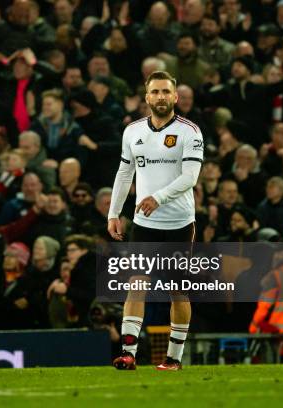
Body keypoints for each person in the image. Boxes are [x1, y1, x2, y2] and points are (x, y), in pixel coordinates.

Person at [108, 71, 203, 371]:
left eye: (166, 92)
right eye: (155, 92)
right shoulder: (132, 131)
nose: (161, 97)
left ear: (175, 97)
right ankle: (128, 353)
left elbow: (190, 177)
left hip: (178, 222)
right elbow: (125, 174)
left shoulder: (190, 132)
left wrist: (158, 198)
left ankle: (174, 358)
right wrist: (113, 212)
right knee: (136, 286)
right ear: (146, 97)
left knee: (178, 291)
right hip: (144, 224)